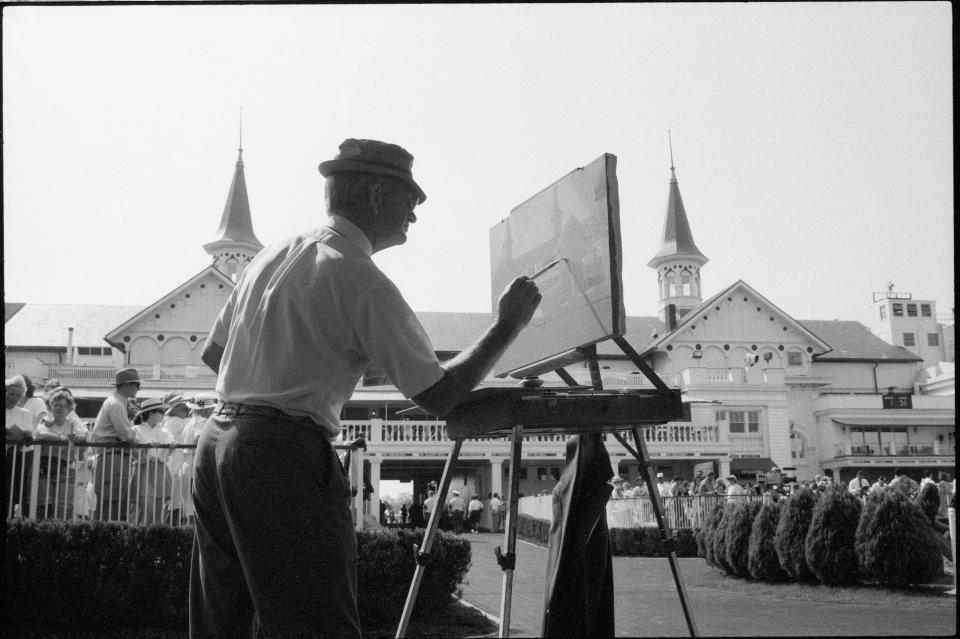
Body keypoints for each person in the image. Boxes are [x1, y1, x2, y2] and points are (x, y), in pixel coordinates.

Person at [190, 138, 541, 639]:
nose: (414, 217)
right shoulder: (360, 277)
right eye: (411, 201)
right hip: (281, 455)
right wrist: (508, 325)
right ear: (378, 196)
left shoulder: (271, 257)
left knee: (224, 619)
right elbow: (440, 395)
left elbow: (213, 354)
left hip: (218, 443)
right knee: (315, 622)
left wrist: (319, 364)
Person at [89, 368, 141, 521]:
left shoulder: (116, 401)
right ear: (127, 385)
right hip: (112, 456)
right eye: (137, 385)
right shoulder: (117, 403)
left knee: (114, 502)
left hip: (113, 456)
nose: (138, 389)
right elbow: (125, 434)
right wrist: (136, 442)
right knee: (110, 502)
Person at [34, 387, 89, 519]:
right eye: (55, 405)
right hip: (45, 469)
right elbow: (40, 435)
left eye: (62, 405)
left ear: (69, 408)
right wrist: (63, 438)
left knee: (63, 509)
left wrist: (71, 437)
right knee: (43, 507)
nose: (58, 408)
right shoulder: (46, 420)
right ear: (50, 406)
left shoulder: (73, 422)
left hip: (66, 468)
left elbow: (83, 437)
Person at [131, 397, 174, 525]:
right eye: (161, 412)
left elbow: (167, 452)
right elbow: (135, 453)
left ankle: (155, 535)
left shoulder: (164, 431)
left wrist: (171, 446)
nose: (163, 415)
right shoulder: (136, 430)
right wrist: (146, 449)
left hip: (160, 470)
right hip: (144, 470)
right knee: (145, 508)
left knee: (158, 510)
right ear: (151, 414)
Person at [161, 393, 192, 525]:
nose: (187, 411)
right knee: (173, 503)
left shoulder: (174, 421)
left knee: (177, 503)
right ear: (174, 409)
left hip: (176, 468)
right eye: (184, 408)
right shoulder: (174, 422)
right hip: (173, 469)